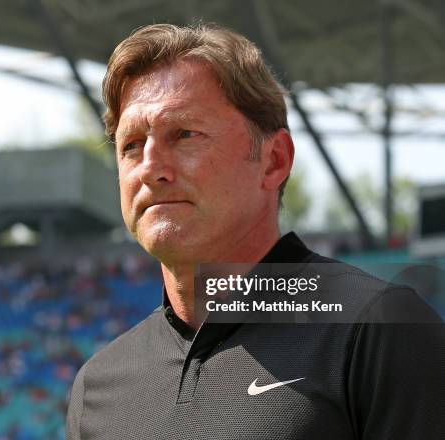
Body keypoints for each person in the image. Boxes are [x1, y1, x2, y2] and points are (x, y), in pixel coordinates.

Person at [66, 24, 445, 439]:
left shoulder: (378, 331)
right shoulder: (96, 388)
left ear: (274, 161)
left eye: (185, 134)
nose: (151, 168)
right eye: (132, 145)